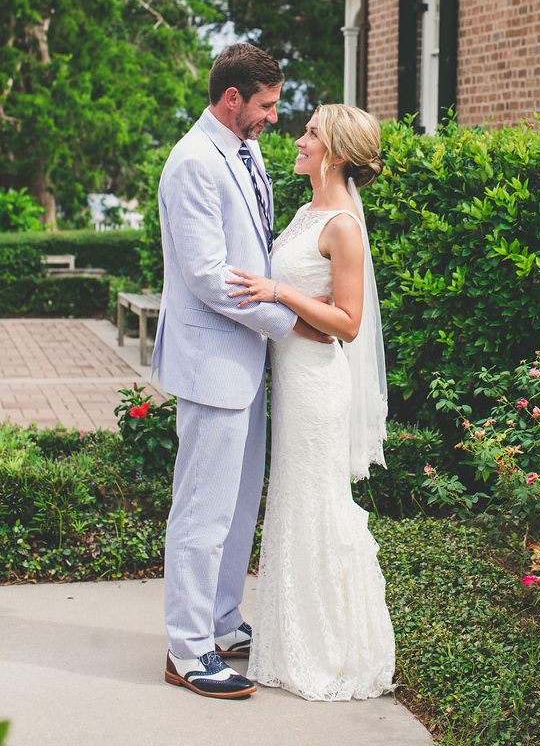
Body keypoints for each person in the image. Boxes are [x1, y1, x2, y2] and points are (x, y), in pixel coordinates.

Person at [152, 43, 327, 700]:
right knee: (201, 507)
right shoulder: (193, 163)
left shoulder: (243, 150)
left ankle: (222, 621)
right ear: (233, 100)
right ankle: (187, 649)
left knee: (235, 504)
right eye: (266, 105)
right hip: (211, 361)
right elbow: (206, 274)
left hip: (246, 360)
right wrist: (292, 323)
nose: (274, 119)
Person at [226, 103, 395, 701]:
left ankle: (334, 653)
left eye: (311, 134)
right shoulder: (308, 211)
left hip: (319, 389)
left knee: (315, 504)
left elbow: (347, 324)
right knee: (294, 503)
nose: (298, 140)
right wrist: (286, 311)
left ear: (337, 153)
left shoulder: (343, 225)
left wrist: (278, 290)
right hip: (294, 377)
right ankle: (289, 642)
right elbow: (310, 318)